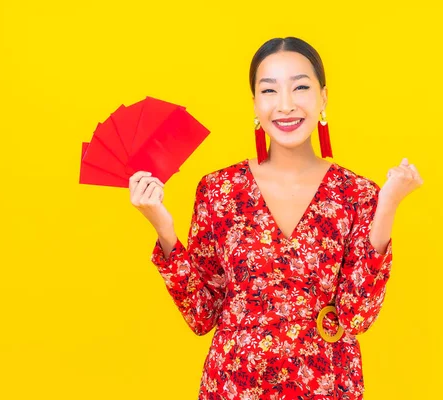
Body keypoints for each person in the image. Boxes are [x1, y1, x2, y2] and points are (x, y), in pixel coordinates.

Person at [129, 37, 423, 399]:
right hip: (234, 386)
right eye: (269, 90)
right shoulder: (219, 190)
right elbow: (203, 314)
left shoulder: (357, 194)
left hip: (327, 385)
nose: (285, 105)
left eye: (300, 87)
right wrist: (162, 226)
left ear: (323, 98)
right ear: (255, 103)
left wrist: (389, 204)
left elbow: (357, 316)